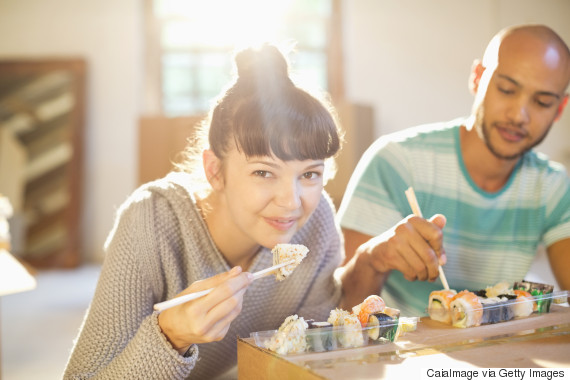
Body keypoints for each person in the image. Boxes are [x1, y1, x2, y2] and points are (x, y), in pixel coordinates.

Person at [64, 44, 363, 379]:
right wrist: (171, 336)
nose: (292, 202)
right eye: (264, 172)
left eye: (309, 174)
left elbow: (305, 360)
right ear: (215, 171)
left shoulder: (317, 220)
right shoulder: (150, 220)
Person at [337, 24, 570, 317]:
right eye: (507, 89)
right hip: (399, 353)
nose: (518, 115)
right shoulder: (397, 161)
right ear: (477, 78)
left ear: (560, 109)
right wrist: (373, 258)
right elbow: (337, 307)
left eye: (542, 102)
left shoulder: (553, 186)